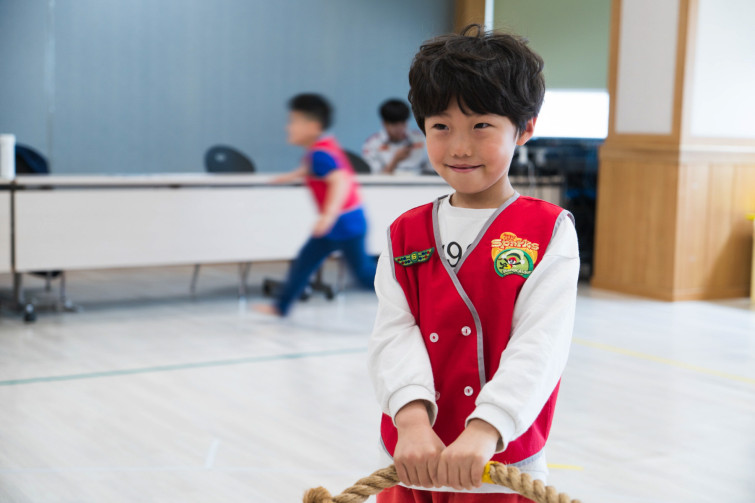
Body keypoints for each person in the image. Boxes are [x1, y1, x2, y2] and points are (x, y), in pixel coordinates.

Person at [367, 25, 580, 502]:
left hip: (499, 461)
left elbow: (541, 344)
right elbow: (393, 333)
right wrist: (411, 421)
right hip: (413, 456)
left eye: (481, 125)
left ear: (525, 128)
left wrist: (487, 428)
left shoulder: (548, 230)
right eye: (441, 127)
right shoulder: (405, 232)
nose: (459, 147)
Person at [255, 94, 376, 317]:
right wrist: (288, 177)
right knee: (304, 262)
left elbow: (339, 180)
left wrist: (327, 216)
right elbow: (310, 169)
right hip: (339, 223)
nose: (288, 127)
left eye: (293, 121)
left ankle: (413, 292)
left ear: (313, 127)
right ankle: (281, 307)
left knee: (364, 275)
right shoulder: (322, 147)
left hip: (345, 224)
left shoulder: (320, 154)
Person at [362, 99, 430, 175]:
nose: (400, 128)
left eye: (403, 123)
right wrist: (395, 160)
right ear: (385, 124)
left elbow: (432, 170)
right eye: (395, 124)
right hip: (388, 182)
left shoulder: (420, 139)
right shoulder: (372, 144)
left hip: (420, 181)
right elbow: (374, 178)